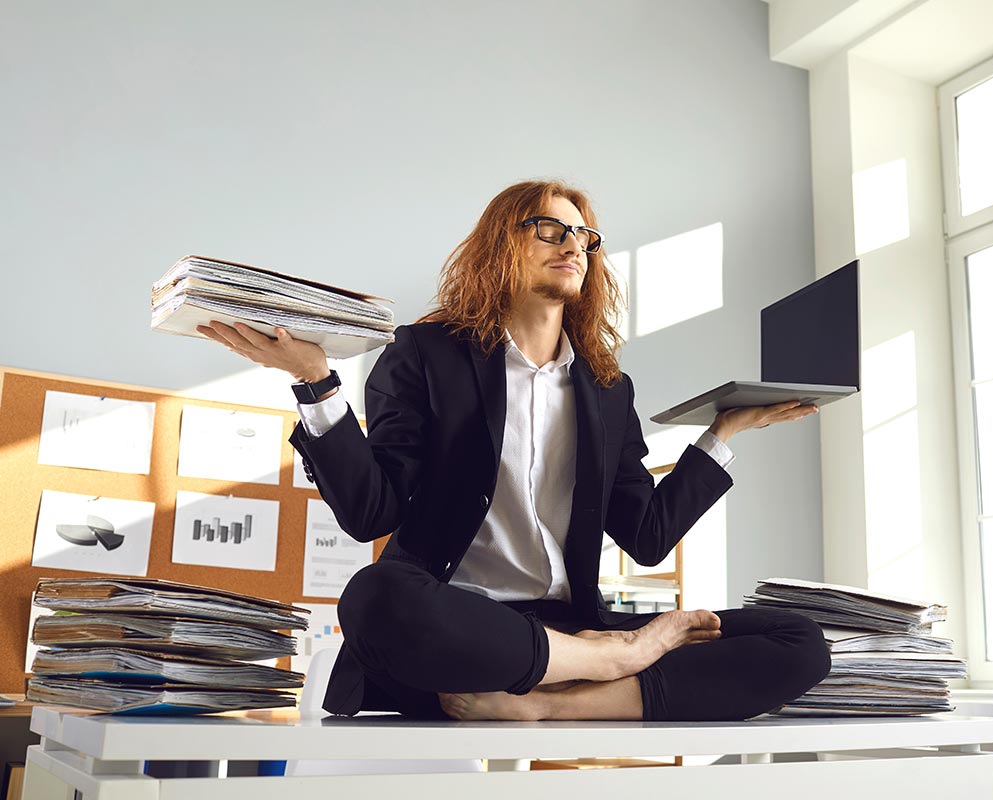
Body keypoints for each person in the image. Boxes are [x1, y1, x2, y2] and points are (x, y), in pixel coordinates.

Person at [197, 180, 831, 721]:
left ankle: (550, 704)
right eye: (550, 229)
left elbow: (647, 534)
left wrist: (722, 435)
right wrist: (317, 383)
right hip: (458, 632)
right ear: (502, 243)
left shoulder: (608, 389)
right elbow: (372, 514)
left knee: (797, 640)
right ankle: (604, 665)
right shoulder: (424, 354)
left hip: (565, 628)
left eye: (584, 237)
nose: (573, 245)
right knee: (374, 596)